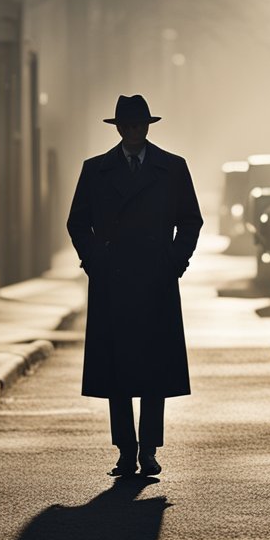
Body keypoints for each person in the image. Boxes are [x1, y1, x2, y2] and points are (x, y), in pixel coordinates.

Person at [67, 94, 203, 477]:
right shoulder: (95, 171)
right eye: (126, 126)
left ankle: (149, 450)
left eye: (139, 125)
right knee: (117, 373)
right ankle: (126, 451)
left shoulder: (172, 168)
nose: (133, 132)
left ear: (147, 127)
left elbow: (191, 220)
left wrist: (174, 262)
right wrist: (96, 261)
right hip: (114, 283)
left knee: (154, 372)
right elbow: (77, 222)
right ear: (119, 128)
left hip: (155, 282)